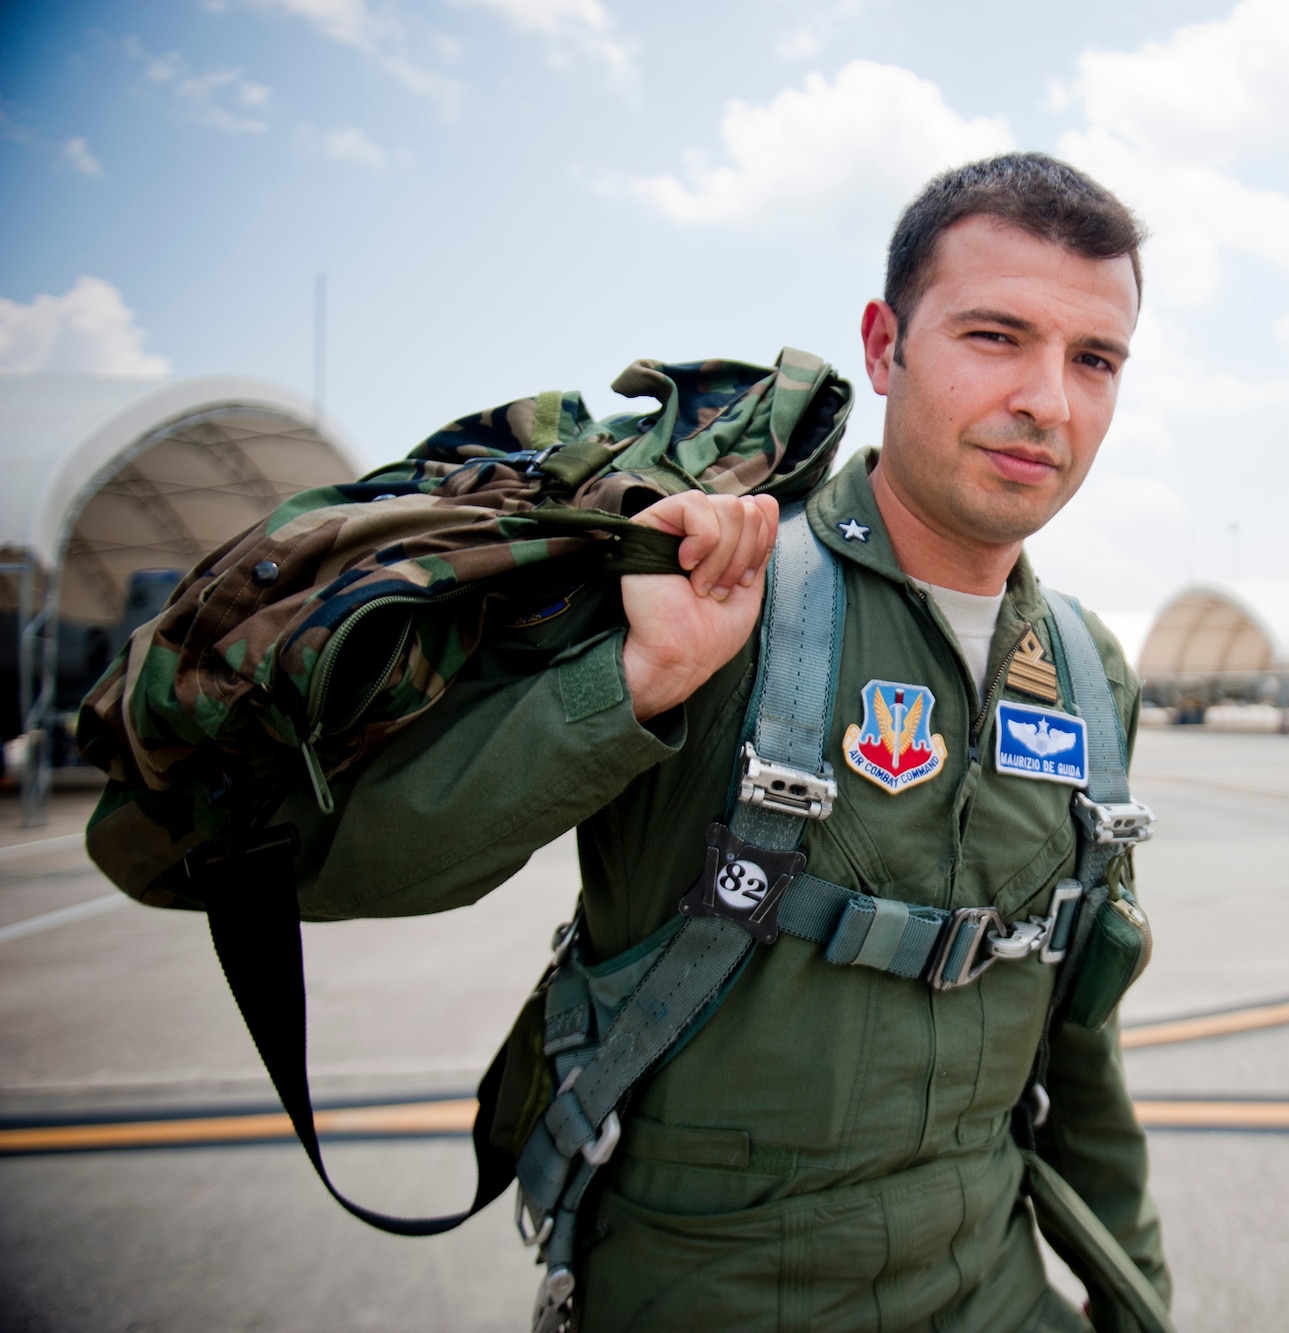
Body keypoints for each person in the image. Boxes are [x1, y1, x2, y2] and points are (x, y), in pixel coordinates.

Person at [307, 153, 1168, 1331]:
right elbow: (344, 866)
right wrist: (630, 687)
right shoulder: (713, 589)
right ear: (883, 347)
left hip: (992, 1284)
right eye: (994, 336)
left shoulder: (1083, 668)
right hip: (708, 1287)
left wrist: (1137, 1302)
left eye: (1094, 359)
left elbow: (1084, 1057)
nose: (1048, 402)